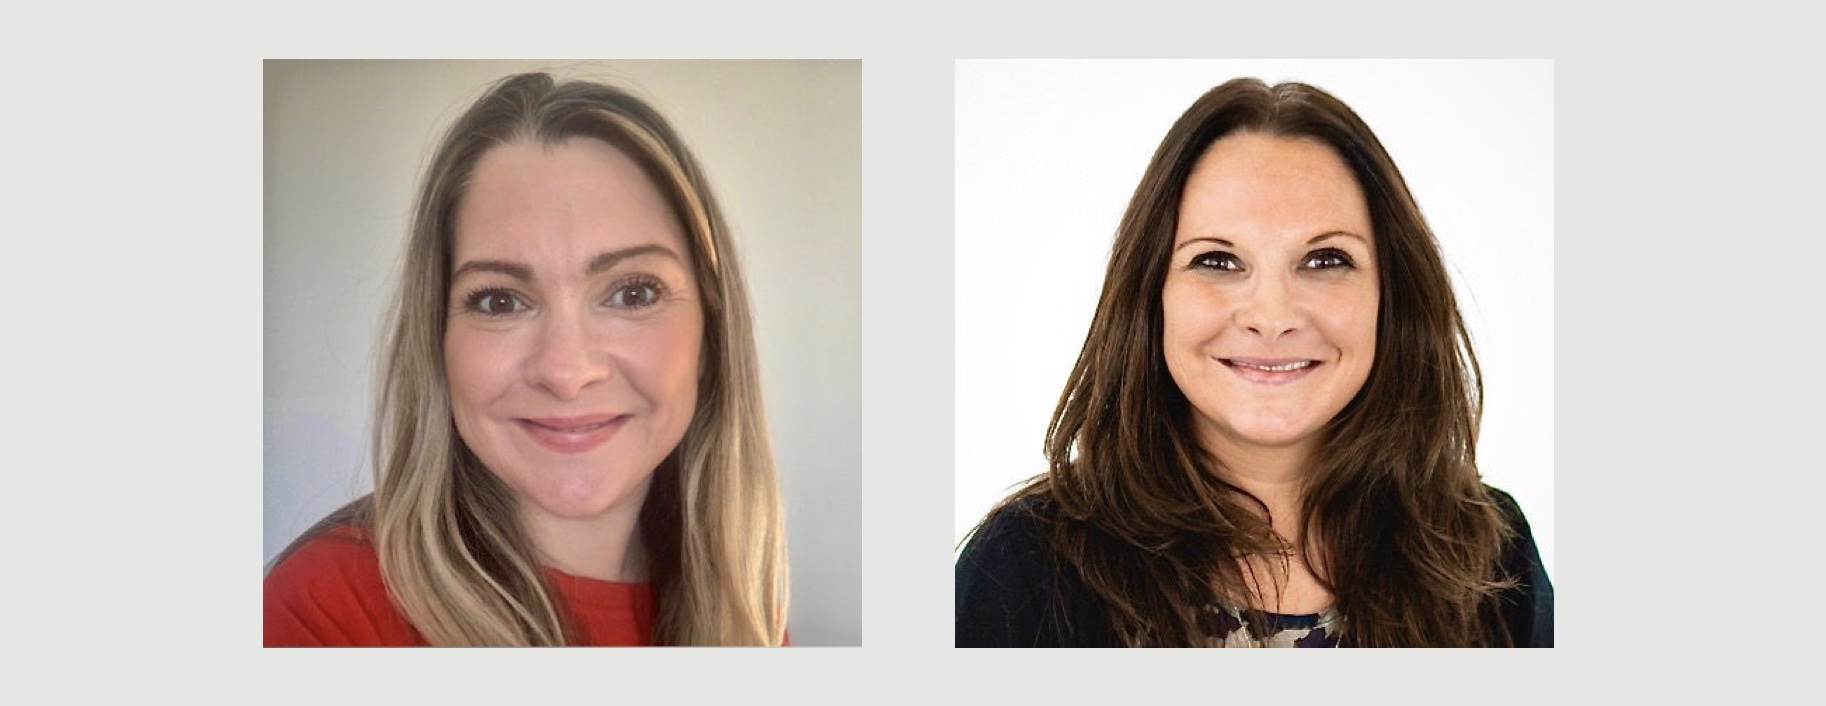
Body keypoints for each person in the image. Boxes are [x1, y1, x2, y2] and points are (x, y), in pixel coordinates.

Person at [954, 78, 1552, 648]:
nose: (1271, 315)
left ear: (1391, 296)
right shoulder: (1025, 568)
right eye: (1216, 261)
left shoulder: (1492, 555)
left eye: (1324, 260)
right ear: (1151, 294)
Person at [265, 72, 788, 646]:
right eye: (500, 301)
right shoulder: (324, 615)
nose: (566, 372)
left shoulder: (745, 611)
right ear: (437, 336)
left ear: (712, 329)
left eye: (633, 293)